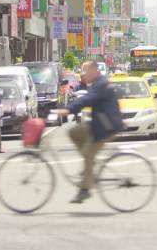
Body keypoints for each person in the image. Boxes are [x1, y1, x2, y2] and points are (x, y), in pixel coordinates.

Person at [52, 61, 123, 204]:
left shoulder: (101, 84)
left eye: (86, 71)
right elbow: (84, 99)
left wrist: (68, 110)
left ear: (95, 70)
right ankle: (89, 165)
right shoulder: (95, 84)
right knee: (73, 132)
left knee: (89, 155)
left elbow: (87, 99)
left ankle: (85, 190)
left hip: (106, 127)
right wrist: (70, 108)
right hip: (97, 123)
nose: (84, 75)